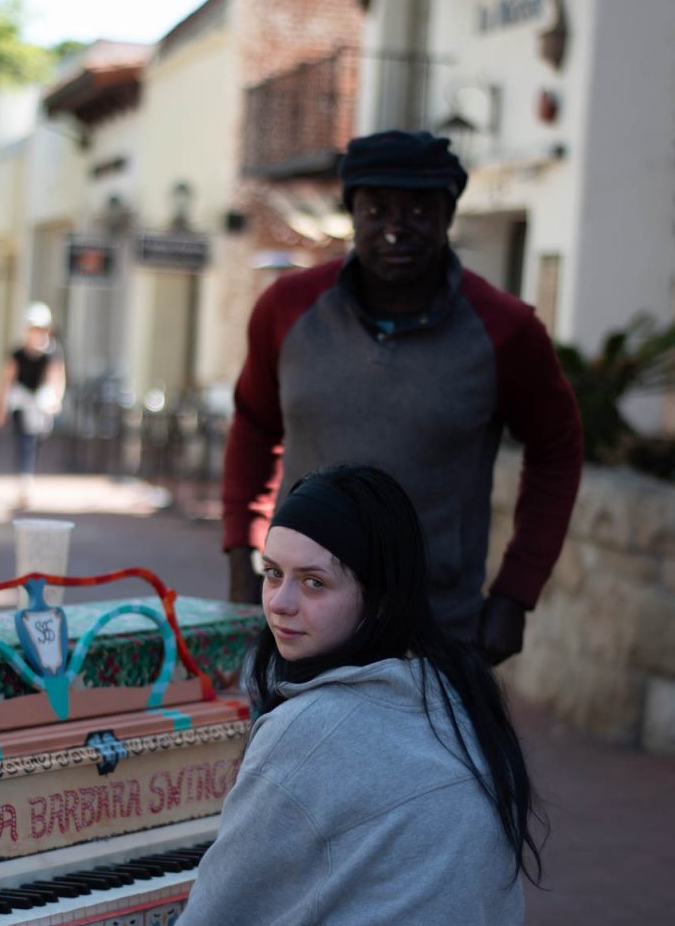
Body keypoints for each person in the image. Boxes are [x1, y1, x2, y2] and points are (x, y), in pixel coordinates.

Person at [6, 462, 544, 926]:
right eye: (272, 575)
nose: (281, 606)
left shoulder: (318, 730)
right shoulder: (451, 690)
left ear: (378, 598)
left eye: (315, 583)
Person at [222, 129, 584, 666]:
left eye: (419, 209)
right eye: (377, 209)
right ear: (353, 213)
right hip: (302, 621)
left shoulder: (505, 329)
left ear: (448, 215)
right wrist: (239, 550)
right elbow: (253, 426)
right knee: (291, 751)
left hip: (436, 629)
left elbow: (558, 451)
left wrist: (516, 593)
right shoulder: (287, 308)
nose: (396, 228)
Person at [0, 301, 66, 508]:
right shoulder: (17, 354)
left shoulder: (52, 353)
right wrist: (0, 408)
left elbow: (57, 378)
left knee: (36, 440)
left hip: (40, 404)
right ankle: (25, 481)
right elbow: (6, 381)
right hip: (21, 403)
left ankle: (27, 477)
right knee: (25, 441)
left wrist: (56, 399)